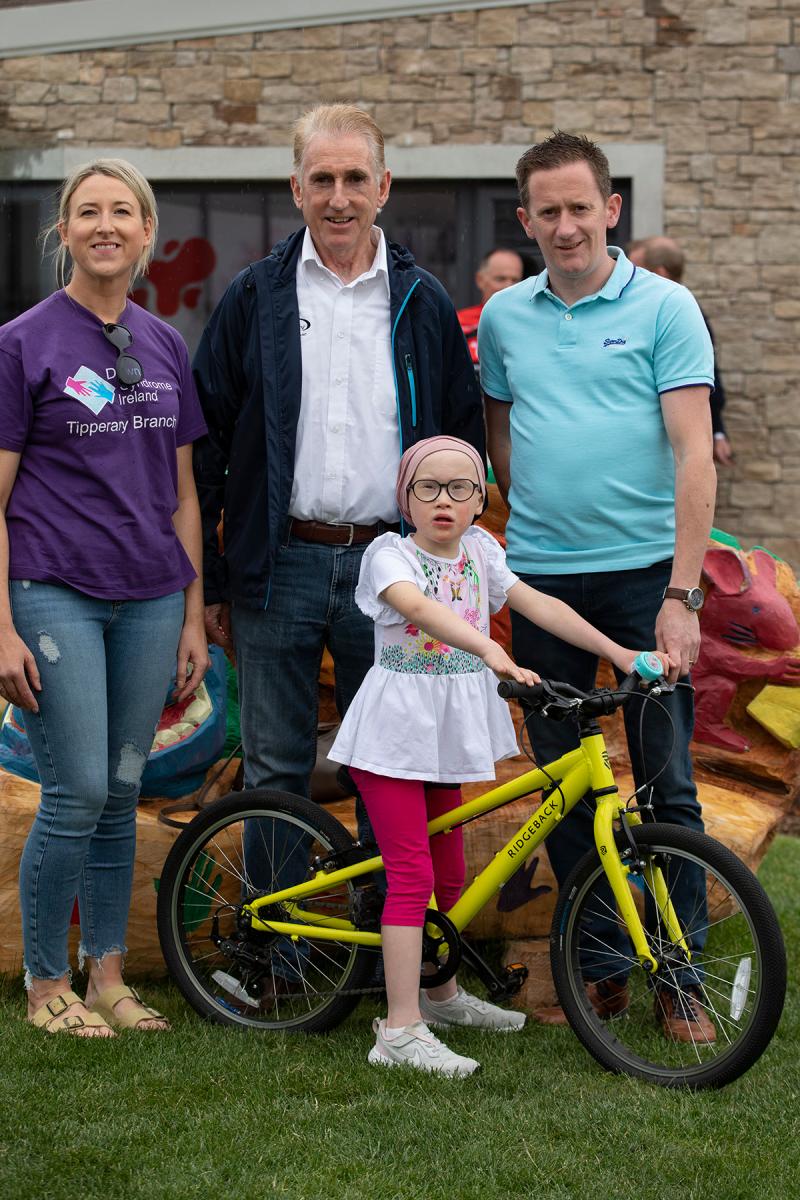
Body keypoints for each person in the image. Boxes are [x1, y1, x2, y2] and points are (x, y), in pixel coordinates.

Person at [192, 105, 484, 854]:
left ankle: (382, 924)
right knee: (274, 768)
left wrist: (453, 569)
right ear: (297, 188)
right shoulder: (255, 296)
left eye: (356, 178)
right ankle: (280, 928)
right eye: (321, 179)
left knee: (391, 770)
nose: (339, 198)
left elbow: (462, 442)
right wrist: (215, 581)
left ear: (383, 186)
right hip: (277, 564)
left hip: (394, 569)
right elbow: (205, 444)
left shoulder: (421, 301)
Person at [480, 132, 718, 1042]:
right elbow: (504, 439)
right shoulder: (505, 318)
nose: (567, 225)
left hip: (645, 583)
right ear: (526, 219)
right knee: (567, 787)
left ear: (611, 209)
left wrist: (682, 596)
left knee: (667, 786)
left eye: (581, 207)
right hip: (544, 586)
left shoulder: (666, 306)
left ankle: (683, 978)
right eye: (548, 211)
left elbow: (695, 455)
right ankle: (603, 966)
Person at [329, 436, 664, 1075]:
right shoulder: (389, 555)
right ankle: (398, 1030)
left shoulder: (482, 551)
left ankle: (441, 996)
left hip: (446, 732)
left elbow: (540, 604)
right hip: (394, 734)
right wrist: (489, 649)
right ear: (405, 499)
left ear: (480, 500)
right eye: (427, 487)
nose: (444, 500)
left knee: (451, 875)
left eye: (461, 488)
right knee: (411, 877)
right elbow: (417, 608)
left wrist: (620, 653)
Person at [0, 158, 209, 1035]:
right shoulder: (22, 343)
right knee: (78, 789)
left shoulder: (164, 344)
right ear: (65, 231)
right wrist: (0, 626)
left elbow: (184, 493)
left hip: (152, 598)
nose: (105, 226)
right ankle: (45, 982)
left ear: (147, 231)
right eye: (88, 212)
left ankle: (108, 979)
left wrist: (193, 613)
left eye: (122, 211)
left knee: (123, 790)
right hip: (54, 593)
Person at [627, 236, 733, 466]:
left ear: (660, 273)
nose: (626, 276)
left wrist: (717, 432)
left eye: (636, 270)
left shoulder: (683, 318)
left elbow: (706, 381)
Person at [457, 248, 525, 368]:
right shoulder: (458, 322)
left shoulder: (530, 323)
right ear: (480, 280)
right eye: (500, 279)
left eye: (515, 280)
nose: (509, 286)